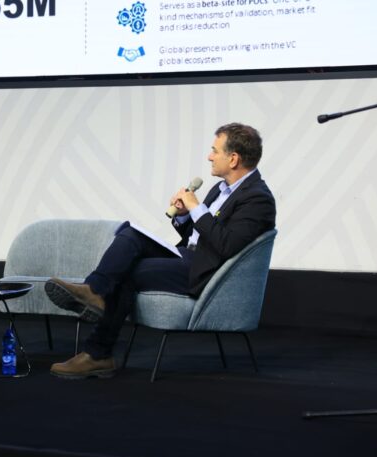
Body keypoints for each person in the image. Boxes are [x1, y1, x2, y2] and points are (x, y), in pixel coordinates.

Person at [45, 123, 276, 379]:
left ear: (233, 159)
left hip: (208, 273)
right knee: (130, 233)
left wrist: (197, 208)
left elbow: (226, 245)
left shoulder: (258, 198)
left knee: (130, 270)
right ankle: (94, 291)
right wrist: (185, 216)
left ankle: (98, 353)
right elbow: (199, 236)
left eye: (215, 150)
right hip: (189, 257)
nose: (209, 156)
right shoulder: (220, 189)